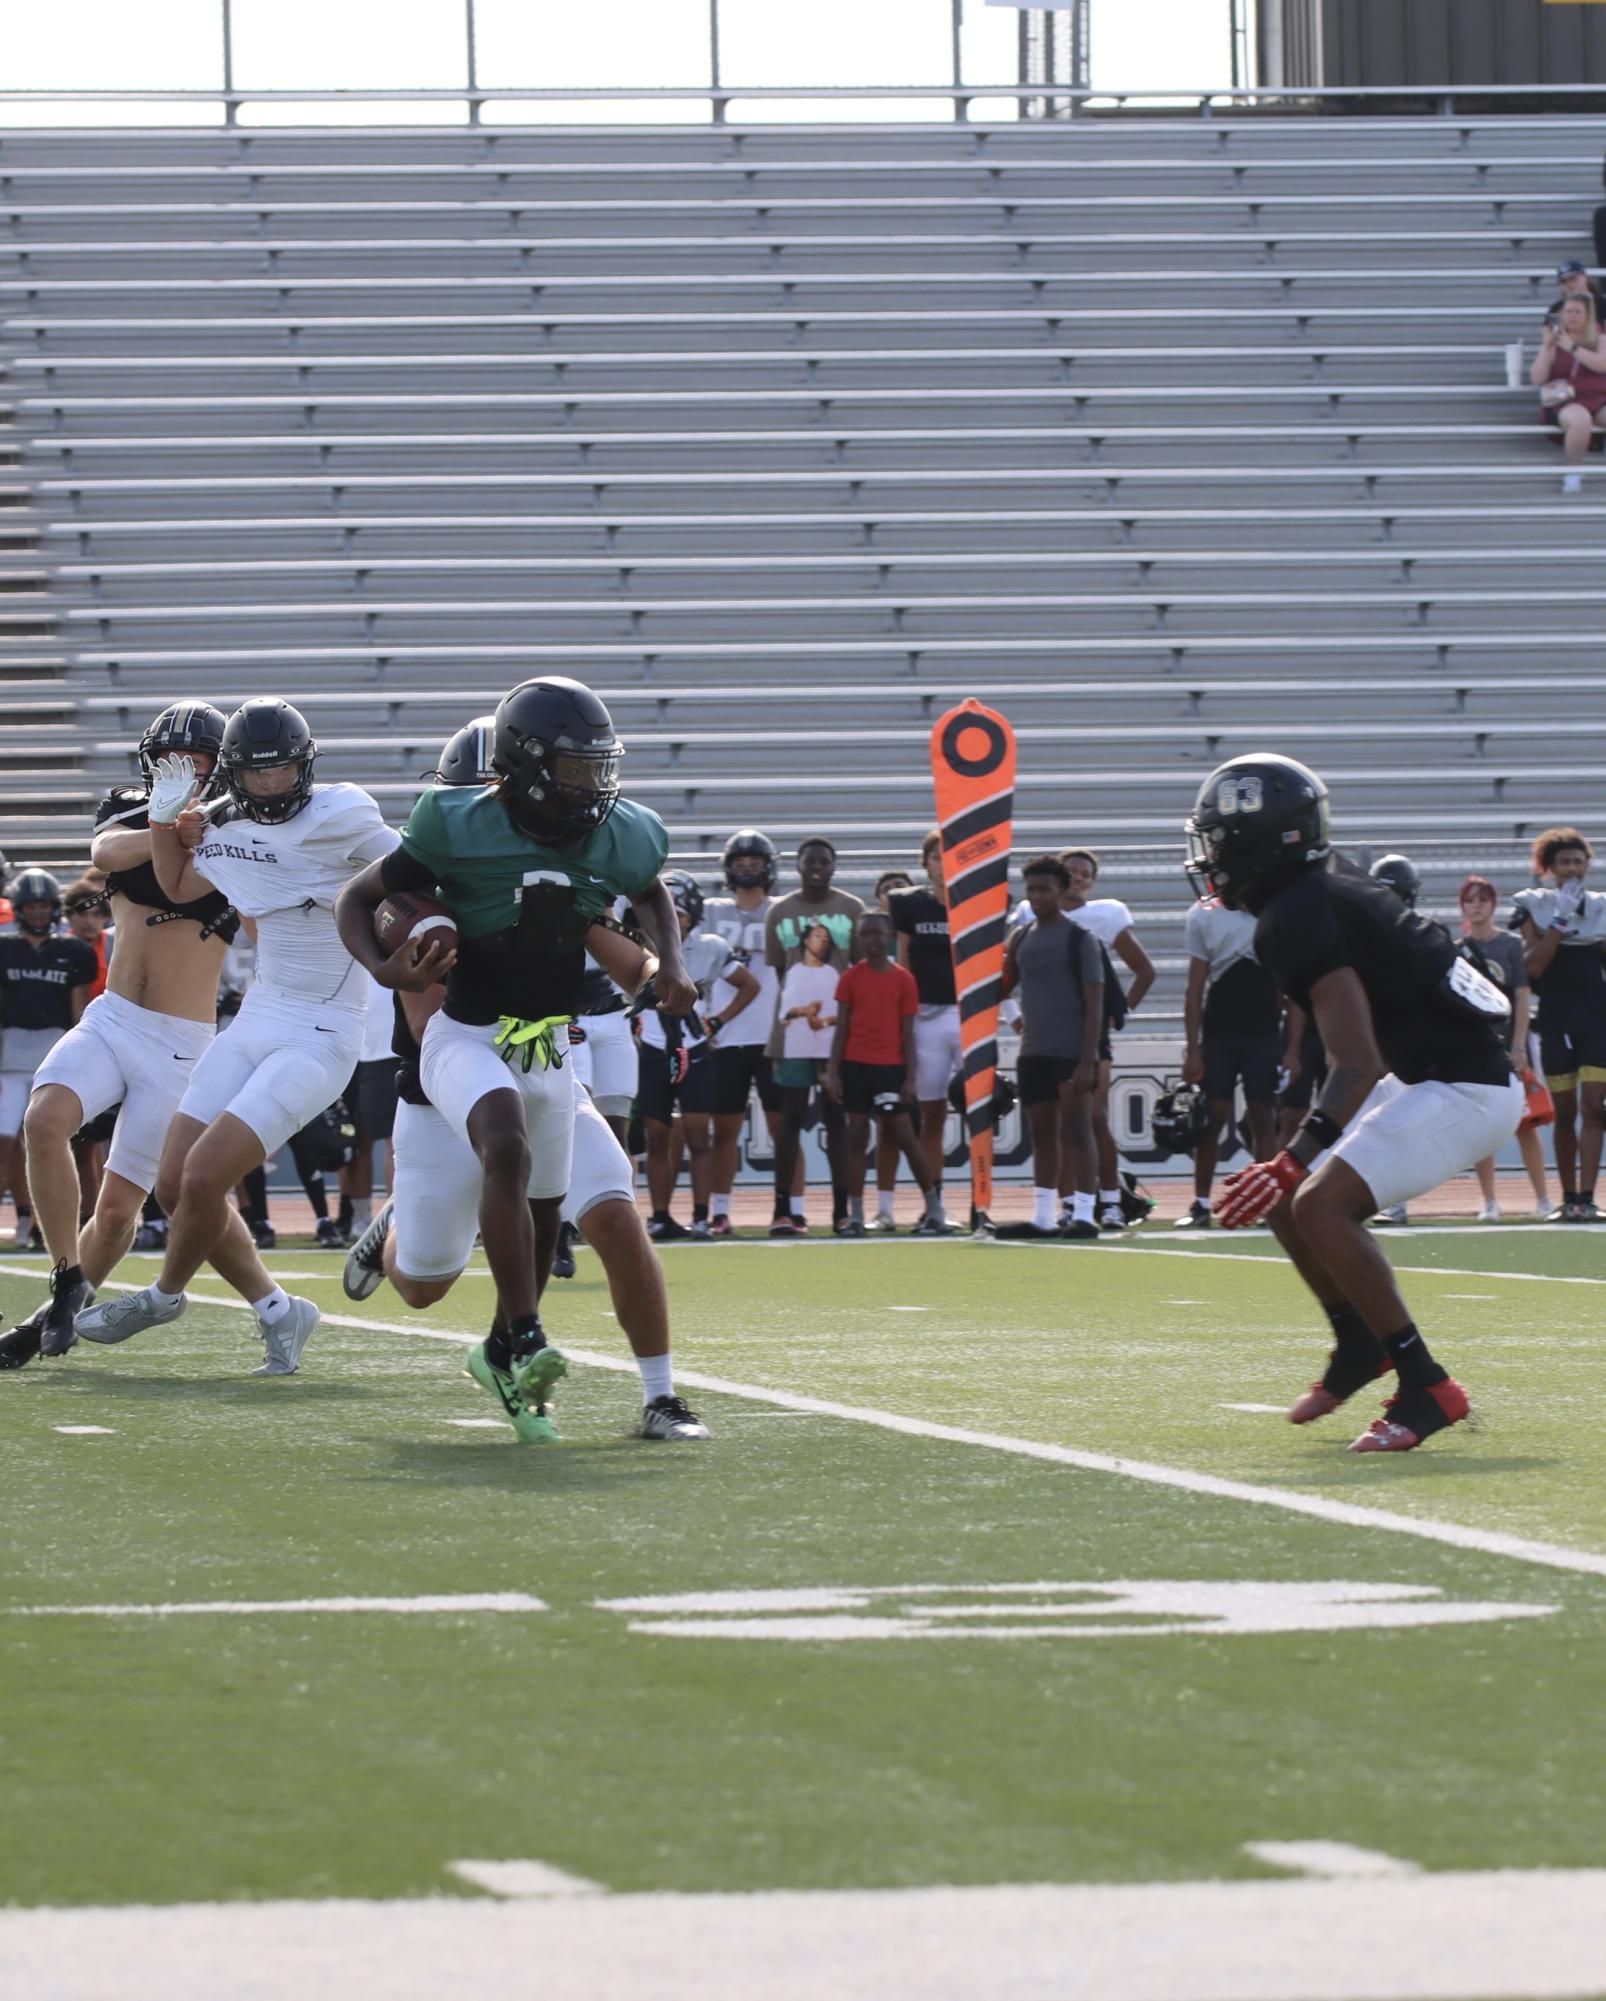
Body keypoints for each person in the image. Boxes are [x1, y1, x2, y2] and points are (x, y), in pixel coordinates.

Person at [335, 676, 696, 1435]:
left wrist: (666, 971)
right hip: (450, 1080)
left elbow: (625, 940)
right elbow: (424, 992)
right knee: (425, 1281)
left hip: (542, 1061)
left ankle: (656, 1393)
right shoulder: (438, 869)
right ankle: (397, 1233)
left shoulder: (589, 850)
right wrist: (394, 957)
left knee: (612, 1215)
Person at [1187, 753, 1522, 1452]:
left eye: (1218, 839)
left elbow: (1357, 1060)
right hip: (1434, 1071)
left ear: (1258, 842)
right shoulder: (1323, 887)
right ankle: (1358, 1344)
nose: (1210, 856)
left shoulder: (1294, 914)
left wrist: (1295, 1156)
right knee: (1288, 1198)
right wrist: (1291, 1162)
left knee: (1313, 1200)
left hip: (1465, 1085)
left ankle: (1427, 1383)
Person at [73, 698, 394, 1375]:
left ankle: (163, 1295)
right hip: (257, 1018)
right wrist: (165, 821)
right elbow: (178, 881)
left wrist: (408, 932)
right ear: (236, 776)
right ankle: (283, 1312)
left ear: (305, 768)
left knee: (203, 1174)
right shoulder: (224, 826)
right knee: (171, 1186)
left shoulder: (343, 813)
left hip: (322, 1032)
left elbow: (411, 874)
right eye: (258, 774)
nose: (271, 787)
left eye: (282, 772)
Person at [1, 708, 244, 1367]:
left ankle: (47, 1320)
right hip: (113, 1017)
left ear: (217, 764)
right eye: (167, 757)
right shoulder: (132, 806)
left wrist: (196, 830)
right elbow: (106, 851)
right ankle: (64, 1272)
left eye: (192, 759)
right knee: (45, 1117)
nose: (178, 769)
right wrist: (169, 823)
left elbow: (194, 877)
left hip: (179, 1040)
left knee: (117, 1210)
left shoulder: (237, 824)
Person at [1014, 849, 1155, 1228]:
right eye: (1032, 889)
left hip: (1082, 1041)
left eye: (1083, 874)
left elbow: (1143, 972)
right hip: (1039, 1043)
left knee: (1089, 1120)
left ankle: (1105, 1203)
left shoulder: (1095, 926)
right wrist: (1013, 1019)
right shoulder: (1023, 929)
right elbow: (999, 985)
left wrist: (1118, 1014)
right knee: (1048, 1131)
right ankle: (1058, 1209)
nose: (1077, 879)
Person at [635, 870, 757, 1241]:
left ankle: (702, 1216)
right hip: (653, 1048)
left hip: (694, 1048)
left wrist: (716, 1022)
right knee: (656, 1137)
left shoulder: (711, 947)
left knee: (698, 1136)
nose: (672, 921)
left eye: (679, 913)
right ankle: (659, 1215)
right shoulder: (636, 944)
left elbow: (749, 985)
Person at [1000, 855, 1104, 1241]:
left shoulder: (1081, 939)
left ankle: (1085, 1215)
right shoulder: (1021, 937)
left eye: (1045, 889)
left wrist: (1088, 1059)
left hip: (1070, 1051)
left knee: (1078, 1131)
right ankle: (1043, 1217)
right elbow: (1003, 987)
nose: (1038, 896)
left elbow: (1095, 1003)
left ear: (1062, 891)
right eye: (1032, 890)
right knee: (1041, 1135)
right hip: (1034, 1051)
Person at [765, 838, 864, 1236]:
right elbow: (779, 973)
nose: (817, 867)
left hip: (836, 1035)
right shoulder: (781, 912)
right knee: (790, 1118)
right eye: (810, 861)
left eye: (824, 861)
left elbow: (856, 970)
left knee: (836, 1118)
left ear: (834, 866)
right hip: (792, 1036)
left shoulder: (851, 909)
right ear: (798, 866)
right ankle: (783, 1210)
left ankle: (842, 1210)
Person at [0, 871, 97, 1263]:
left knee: (66, 1144)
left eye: (43, 906)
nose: (38, 913)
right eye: (32, 907)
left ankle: (67, 1223)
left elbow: (78, 1009)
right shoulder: (5, 949)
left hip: (54, 1055)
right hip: (9, 1057)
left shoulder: (73, 951)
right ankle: (23, 1218)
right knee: (6, 1141)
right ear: (21, 910)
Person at [826, 909, 941, 1236]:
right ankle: (858, 1216)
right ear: (858, 940)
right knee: (857, 1138)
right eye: (866, 934)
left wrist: (910, 1077)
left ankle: (934, 1208)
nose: (872, 940)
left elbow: (909, 1032)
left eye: (878, 933)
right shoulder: (850, 978)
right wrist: (834, 1072)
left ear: (890, 936)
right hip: (855, 1066)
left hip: (890, 1067)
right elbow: (841, 1029)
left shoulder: (903, 979)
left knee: (904, 1135)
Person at [1512, 826, 1606, 1221]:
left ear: (1587, 866)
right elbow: (1532, 966)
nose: (1571, 868)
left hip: (1596, 1018)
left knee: (1594, 1108)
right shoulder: (1534, 904)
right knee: (1565, 1112)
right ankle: (1569, 1197)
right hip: (1554, 1019)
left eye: (1577, 862)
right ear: (1549, 867)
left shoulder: (1602, 906)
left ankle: (1589, 1197)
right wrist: (1560, 923)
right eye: (1564, 862)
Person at [1176, 890, 1280, 1230]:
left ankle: (1265, 1203)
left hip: (1263, 1030)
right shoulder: (1204, 913)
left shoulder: (1275, 909)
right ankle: (1202, 1203)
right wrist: (1193, 1048)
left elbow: (1288, 988)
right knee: (1212, 1118)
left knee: (1263, 1116)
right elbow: (1194, 988)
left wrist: (1291, 1047)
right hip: (1221, 1032)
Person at [703, 828, 786, 1239]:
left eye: (755, 863)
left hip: (774, 1036)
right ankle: (720, 1211)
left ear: (769, 868)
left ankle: (790, 1209)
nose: (748, 869)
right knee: (725, 1131)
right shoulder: (712, 910)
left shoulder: (784, 911)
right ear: (728, 869)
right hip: (726, 1035)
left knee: (782, 1129)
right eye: (741, 863)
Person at [1458, 874, 1547, 1221]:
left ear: (1493, 904)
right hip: (1477, 1045)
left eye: (1482, 899)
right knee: (1483, 1127)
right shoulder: (1457, 949)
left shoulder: (1509, 946)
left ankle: (1542, 1198)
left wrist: (1520, 1043)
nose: (1476, 906)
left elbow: (1522, 996)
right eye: (1470, 900)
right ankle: (1490, 1201)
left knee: (1527, 1123)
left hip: (1511, 1043)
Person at [887, 830, 960, 1233]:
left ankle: (981, 1199)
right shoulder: (909, 904)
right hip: (928, 1016)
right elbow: (903, 963)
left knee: (981, 1109)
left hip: (968, 1014)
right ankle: (935, 1204)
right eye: (936, 855)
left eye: (950, 854)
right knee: (931, 1115)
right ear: (926, 862)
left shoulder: (980, 901)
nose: (943, 862)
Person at [1363, 850, 1423, 1224]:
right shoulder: (1361, 936)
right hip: (1367, 1044)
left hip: (1406, 1045)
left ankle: (1396, 1200)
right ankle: (1368, 1194)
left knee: (1398, 1125)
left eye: (1396, 895)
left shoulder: (1422, 935)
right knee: (1365, 1125)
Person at [1532, 290, 1606, 494]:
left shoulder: (1599, 336)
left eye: (1577, 312)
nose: (1572, 316)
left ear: (1587, 315)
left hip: (1596, 398)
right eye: (1568, 311)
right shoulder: (1555, 339)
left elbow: (1602, 364)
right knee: (1580, 419)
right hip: (1565, 401)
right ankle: (1574, 469)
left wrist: (1572, 347)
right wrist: (1547, 347)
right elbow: (1537, 378)